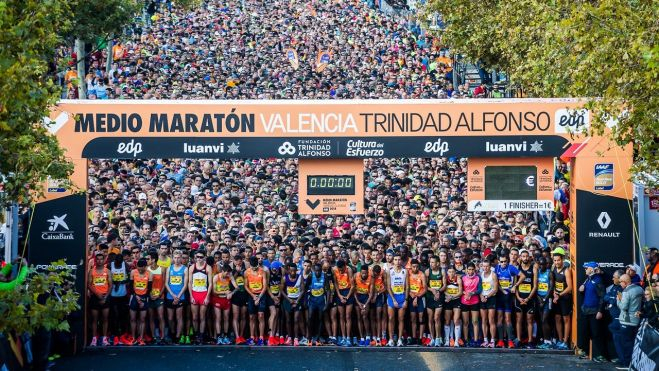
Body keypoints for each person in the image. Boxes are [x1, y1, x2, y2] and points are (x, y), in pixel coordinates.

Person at [613, 274, 644, 368]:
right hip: (636, 320)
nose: (620, 284)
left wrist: (618, 299)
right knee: (632, 343)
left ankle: (626, 364)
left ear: (625, 282)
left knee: (626, 343)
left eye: (620, 282)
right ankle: (632, 363)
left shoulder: (626, 291)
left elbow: (623, 307)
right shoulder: (639, 289)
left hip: (627, 321)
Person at [577, 262, 606, 362]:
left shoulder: (598, 280)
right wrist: (582, 288)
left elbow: (602, 297)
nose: (585, 270)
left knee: (596, 333)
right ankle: (586, 352)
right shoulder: (588, 279)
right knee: (585, 332)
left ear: (592, 269)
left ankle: (601, 355)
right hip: (585, 310)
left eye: (587, 268)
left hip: (594, 311)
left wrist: (600, 311)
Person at [88, 251, 113, 346]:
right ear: (95, 260)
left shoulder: (107, 271)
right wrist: (97, 294)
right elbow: (89, 285)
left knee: (105, 319)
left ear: (104, 260)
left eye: (101, 259)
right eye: (97, 259)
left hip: (105, 297)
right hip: (95, 297)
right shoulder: (92, 271)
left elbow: (111, 285)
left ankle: (104, 339)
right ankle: (94, 339)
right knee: (95, 319)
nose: (99, 261)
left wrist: (105, 297)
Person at [165, 249, 189, 344]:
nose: (177, 259)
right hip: (170, 296)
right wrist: (173, 295)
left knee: (179, 317)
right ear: (172, 258)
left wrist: (178, 296)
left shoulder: (185, 269)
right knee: (170, 318)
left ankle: (178, 336)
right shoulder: (169, 268)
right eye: (175, 257)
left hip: (181, 296)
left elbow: (185, 285)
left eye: (179, 257)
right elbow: (166, 283)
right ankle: (172, 332)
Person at [515, 249, 537, 348]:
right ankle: (519, 340)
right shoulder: (517, 268)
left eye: (526, 256)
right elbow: (515, 285)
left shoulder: (533, 268)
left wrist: (528, 298)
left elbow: (535, 286)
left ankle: (530, 341)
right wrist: (519, 298)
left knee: (529, 320)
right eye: (523, 256)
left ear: (529, 257)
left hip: (530, 298)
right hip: (519, 298)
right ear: (520, 257)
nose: (525, 258)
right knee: (519, 320)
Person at [495, 254, 518, 348]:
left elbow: (522, 276)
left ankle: (509, 340)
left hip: (508, 297)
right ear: (499, 261)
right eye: (501, 261)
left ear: (507, 261)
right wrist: (501, 290)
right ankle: (500, 340)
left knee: (508, 319)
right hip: (499, 297)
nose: (503, 263)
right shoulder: (496, 268)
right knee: (499, 318)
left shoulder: (511, 268)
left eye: (505, 261)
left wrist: (515, 286)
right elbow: (495, 282)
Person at [551, 250, 573, 350]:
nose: (556, 262)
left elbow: (570, 287)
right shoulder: (553, 268)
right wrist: (554, 293)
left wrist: (559, 294)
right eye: (555, 260)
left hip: (565, 298)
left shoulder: (566, 270)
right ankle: (560, 339)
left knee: (566, 319)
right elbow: (553, 284)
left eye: (558, 260)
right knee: (557, 319)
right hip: (557, 298)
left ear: (562, 260)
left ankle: (565, 341)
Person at [189, 250, 212, 344]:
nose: (199, 259)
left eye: (201, 257)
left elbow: (210, 284)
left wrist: (207, 297)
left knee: (202, 316)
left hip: (203, 293)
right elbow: (189, 283)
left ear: (204, 258)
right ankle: (196, 335)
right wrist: (191, 296)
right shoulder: (192, 267)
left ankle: (201, 336)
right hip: (194, 293)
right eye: (197, 257)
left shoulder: (208, 267)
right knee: (194, 317)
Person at [245, 256, 268, 345]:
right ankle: (252, 337)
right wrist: (253, 296)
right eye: (252, 267)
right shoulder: (246, 272)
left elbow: (265, 286)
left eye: (255, 266)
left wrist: (258, 297)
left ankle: (261, 337)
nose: (254, 268)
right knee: (251, 317)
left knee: (261, 315)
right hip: (251, 295)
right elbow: (246, 286)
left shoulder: (262, 271)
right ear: (250, 265)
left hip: (261, 295)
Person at [386, 254, 408, 347]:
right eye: (395, 260)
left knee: (401, 319)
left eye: (399, 260)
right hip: (392, 296)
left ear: (401, 261)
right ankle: (391, 339)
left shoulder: (405, 271)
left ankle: (399, 339)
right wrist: (393, 300)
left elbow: (407, 287)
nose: (397, 261)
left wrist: (406, 299)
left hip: (402, 296)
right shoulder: (389, 271)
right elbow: (388, 286)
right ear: (393, 261)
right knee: (391, 318)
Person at [333, 259, 355, 346]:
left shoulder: (349, 270)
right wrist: (339, 295)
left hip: (348, 292)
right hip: (340, 293)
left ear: (345, 266)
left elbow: (353, 285)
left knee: (348, 316)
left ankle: (348, 338)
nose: (340, 271)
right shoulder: (335, 270)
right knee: (341, 316)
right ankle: (343, 337)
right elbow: (335, 283)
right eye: (339, 270)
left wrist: (347, 297)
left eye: (342, 269)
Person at [307, 264, 330, 346]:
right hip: (312, 301)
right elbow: (306, 288)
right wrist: (305, 300)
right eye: (316, 270)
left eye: (319, 271)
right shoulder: (310, 276)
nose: (317, 272)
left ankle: (317, 339)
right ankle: (309, 338)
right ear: (314, 270)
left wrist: (327, 304)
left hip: (321, 301)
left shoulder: (325, 276)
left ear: (321, 270)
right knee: (310, 318)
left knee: (320, 319)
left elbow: (328, 290)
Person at [129, 258, 151, 345]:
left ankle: (141, 338)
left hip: (144, 298)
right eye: (138, 268)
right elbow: (130, 287)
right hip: (134, 297)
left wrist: (142, 300)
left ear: (145, 267)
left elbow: (149, 289)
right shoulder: (133, 272)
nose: (140, 270)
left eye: (142, 268)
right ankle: (134, 337)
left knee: (142, 319)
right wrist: (136, 297)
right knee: (133, 318)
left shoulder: (149, 274)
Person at [426, 255, 446, 347]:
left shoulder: (442, 271)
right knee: (430, 319)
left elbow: (444, 285)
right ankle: (432, 338)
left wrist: (438, 291)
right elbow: (425, 286)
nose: (431, 264)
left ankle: (438, 338)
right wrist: (432, 290)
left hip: (439, 297)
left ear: (438, 263)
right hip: (430, 297)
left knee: (436, 317)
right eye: (430, 262)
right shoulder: (427, 271)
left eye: (433, 262)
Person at [147, 251, 166, 344]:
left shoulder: (162, 269)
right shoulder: (147, 269)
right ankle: (154, 336)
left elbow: (164, 284)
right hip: (150, 296)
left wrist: (159, 294)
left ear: (153, 260)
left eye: (148, 259)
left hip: (160, 296)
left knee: (160, 316)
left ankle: (162, 337)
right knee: (151, 317)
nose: (146, 260)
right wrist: (149, 294)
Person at [282, 263, 304, 345]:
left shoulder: (300, 277)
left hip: (297, 300)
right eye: (291, 270)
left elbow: (302, 290)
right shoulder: (285, 278)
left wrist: (297, 301)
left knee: (296, 320)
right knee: (288, 320)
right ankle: (289, 338)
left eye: (294, 270)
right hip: (288, 300)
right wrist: (289, 300)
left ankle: (296, 338)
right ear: (288, 270)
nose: (293, 272)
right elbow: (282, 290)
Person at [460, 262, 481, 347]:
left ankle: (475, 340)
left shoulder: (478, 278)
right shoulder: (463, 278)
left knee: (475, 321)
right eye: (469, 269)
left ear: (474, 270)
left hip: (474, 301)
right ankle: (466, 340)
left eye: (472, 269)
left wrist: (472, 293)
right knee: (465, 322)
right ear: (466, 270)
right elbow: (460, 289)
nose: (471, 271)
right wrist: (466, 293)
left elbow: (479, 290)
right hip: (464, 301)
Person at [535, 257, 554, 349]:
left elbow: (551, 288)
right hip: (539, 299)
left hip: (547, 300)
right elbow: (535, 287)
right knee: (541, 321)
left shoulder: (549, 273)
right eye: (540, 264)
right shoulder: (537, 273)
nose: (541, 266)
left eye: (543, 264)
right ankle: (545, 340)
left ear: (546, 265)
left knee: (545, 320)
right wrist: (539, 299)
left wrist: (544, 300)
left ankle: (549, 340)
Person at [211, 264, 233, 345]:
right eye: (227, 273)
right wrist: (225, 292)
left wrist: (232, 293)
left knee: (226, 318)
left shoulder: (229, 277)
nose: (228, 275)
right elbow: (214, 292)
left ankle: (226, 336)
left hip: (226, 299)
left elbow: (237, 287)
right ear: (223, 271)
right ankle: (219, 336)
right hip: (217, 299)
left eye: (229, 273)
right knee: (218, 318)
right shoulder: (216, 277)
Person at [479, 257, 498, 348]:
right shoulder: (480, 274)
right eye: (484, 266)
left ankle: (493, 340)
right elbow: (478, 288)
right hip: (482, 298)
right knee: (484, 320)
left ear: (490, 267)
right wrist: (481, 296)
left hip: (491, 298)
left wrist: (487, 296)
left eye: (487, 266)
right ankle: (485, 339)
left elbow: (495, 289)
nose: (485, 268)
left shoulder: (493, 275)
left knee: (491, 320)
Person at [353, 265, 373, 346]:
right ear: (360, 272)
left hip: (366, 298)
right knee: (359, 317)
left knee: (364, 316)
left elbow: (371, 294)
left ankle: (368, 336)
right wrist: (358, 302)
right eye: (362, 273)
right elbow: (353, 291)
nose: (364, 275)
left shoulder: (371, 278)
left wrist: (365, 304)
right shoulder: (355, 276)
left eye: (365, 273)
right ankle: (361, 338)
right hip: (358, 297)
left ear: (368, 272)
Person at [443, 266, 463, 347]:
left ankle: (456, 341)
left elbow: (460, 292)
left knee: (456, 320)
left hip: (456, 300)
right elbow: (444, 290)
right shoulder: (445, 279)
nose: (451, 273)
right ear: (447, 272)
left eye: (453, 272)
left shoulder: (458, 279)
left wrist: (452, 297)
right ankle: (447, 340)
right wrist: (448, 296)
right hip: (448, 300)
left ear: (455, 272)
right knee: (447, 321)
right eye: (450, 272)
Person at [266, 261, 283, 346]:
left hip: (278, 295)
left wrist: (279, 295)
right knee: (273, 313)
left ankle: (274, 334)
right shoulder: (268, 272)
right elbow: (267, 286)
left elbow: (281, 284)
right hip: (270, 296)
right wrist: (273, 297)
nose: (274, 271)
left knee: (276, 316)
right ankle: (270, 336)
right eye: (273, 270)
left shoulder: (281, 271)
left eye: (276, 270)